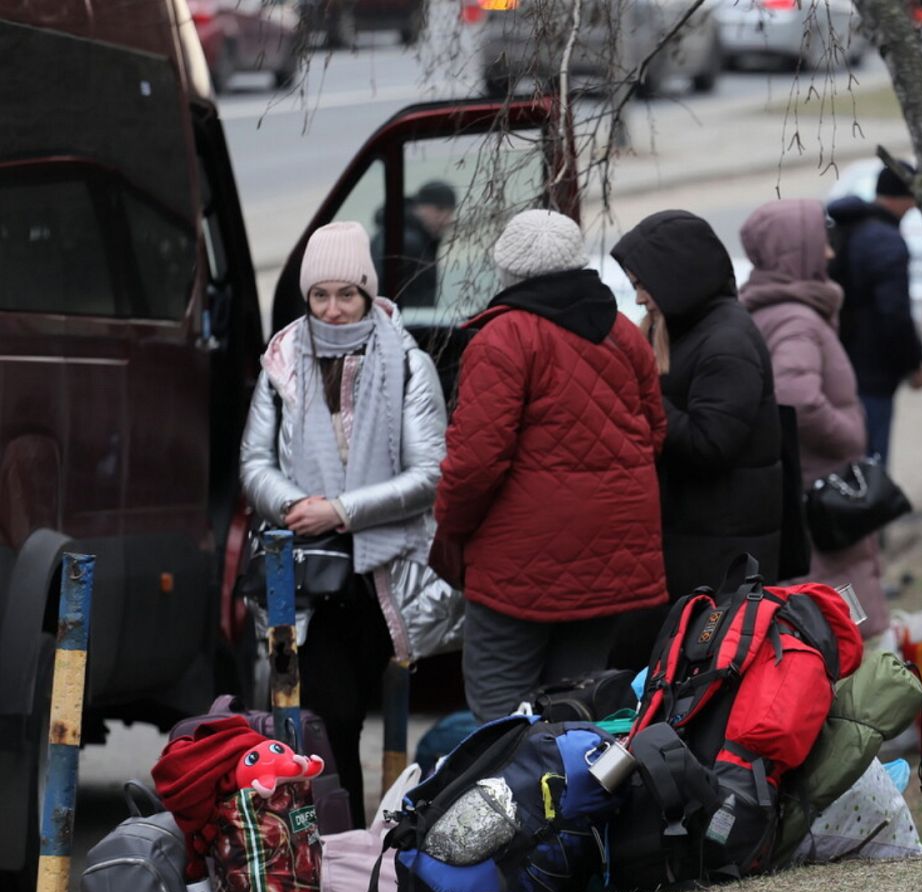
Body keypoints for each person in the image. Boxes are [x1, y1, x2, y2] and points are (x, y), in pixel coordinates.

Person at [240, 220, 450, 822]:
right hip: (303, 573)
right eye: (320, 296)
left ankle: (350, 855)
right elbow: (254, 461)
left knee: (342, 718)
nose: (333, 310)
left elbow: (430, 472)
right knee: (323, 725)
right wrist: (292, 507)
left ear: (368, 293)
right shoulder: (281, 364)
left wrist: (340, 510)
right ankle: (335, 852)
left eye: (347, 294)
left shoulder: (407, 364)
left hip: (377, 574)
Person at [430, 210, 669, 721]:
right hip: (611, 556)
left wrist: (451, 529)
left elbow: (474, 463)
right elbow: (655, 433)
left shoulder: (503, 339)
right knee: (580, 709)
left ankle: (509, 801)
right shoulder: (625, 334)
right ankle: (570, 799)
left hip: (519, 565)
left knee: (500, 715)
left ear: (509, 272)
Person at [608, 210, 784, 661]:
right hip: (698, 544)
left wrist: (644, 395)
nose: (640, 297)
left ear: (678, 278)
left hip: (718, 555)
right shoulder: (694, 329)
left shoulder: (726, 341)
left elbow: (711, 444)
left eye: (644, 283)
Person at [738, 198, 890, 638]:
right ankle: (864, 703)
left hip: (808, 489)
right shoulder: (795, 319)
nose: (829, 254)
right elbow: (796, 397)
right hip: (824, 491)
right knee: (849, 623)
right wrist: (850, 436)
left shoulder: (774, 311)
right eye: (820, 243)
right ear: (794, 251)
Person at [826, 161, 922, 464]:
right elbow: (894, 314)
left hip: (842, 357)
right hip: (874, 367)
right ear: (904, 196)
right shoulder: (885, 241)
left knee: (853, 450)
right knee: (873, 454)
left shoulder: (854, 229)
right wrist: (913, 364)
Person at [373, 180, 457, 308]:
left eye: (451, 212)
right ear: (419, 207)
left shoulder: (403, 235)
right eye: (440, 209)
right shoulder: (408, 243)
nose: (448, 219)